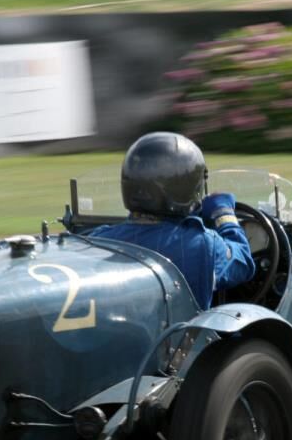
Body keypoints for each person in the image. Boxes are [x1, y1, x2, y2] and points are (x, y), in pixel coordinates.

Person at [89, 132, 254, 310]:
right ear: (188, 186)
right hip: (180, 337)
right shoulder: (201, 244)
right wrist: (224, 213)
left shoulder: (99, 240)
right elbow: (243, 262)